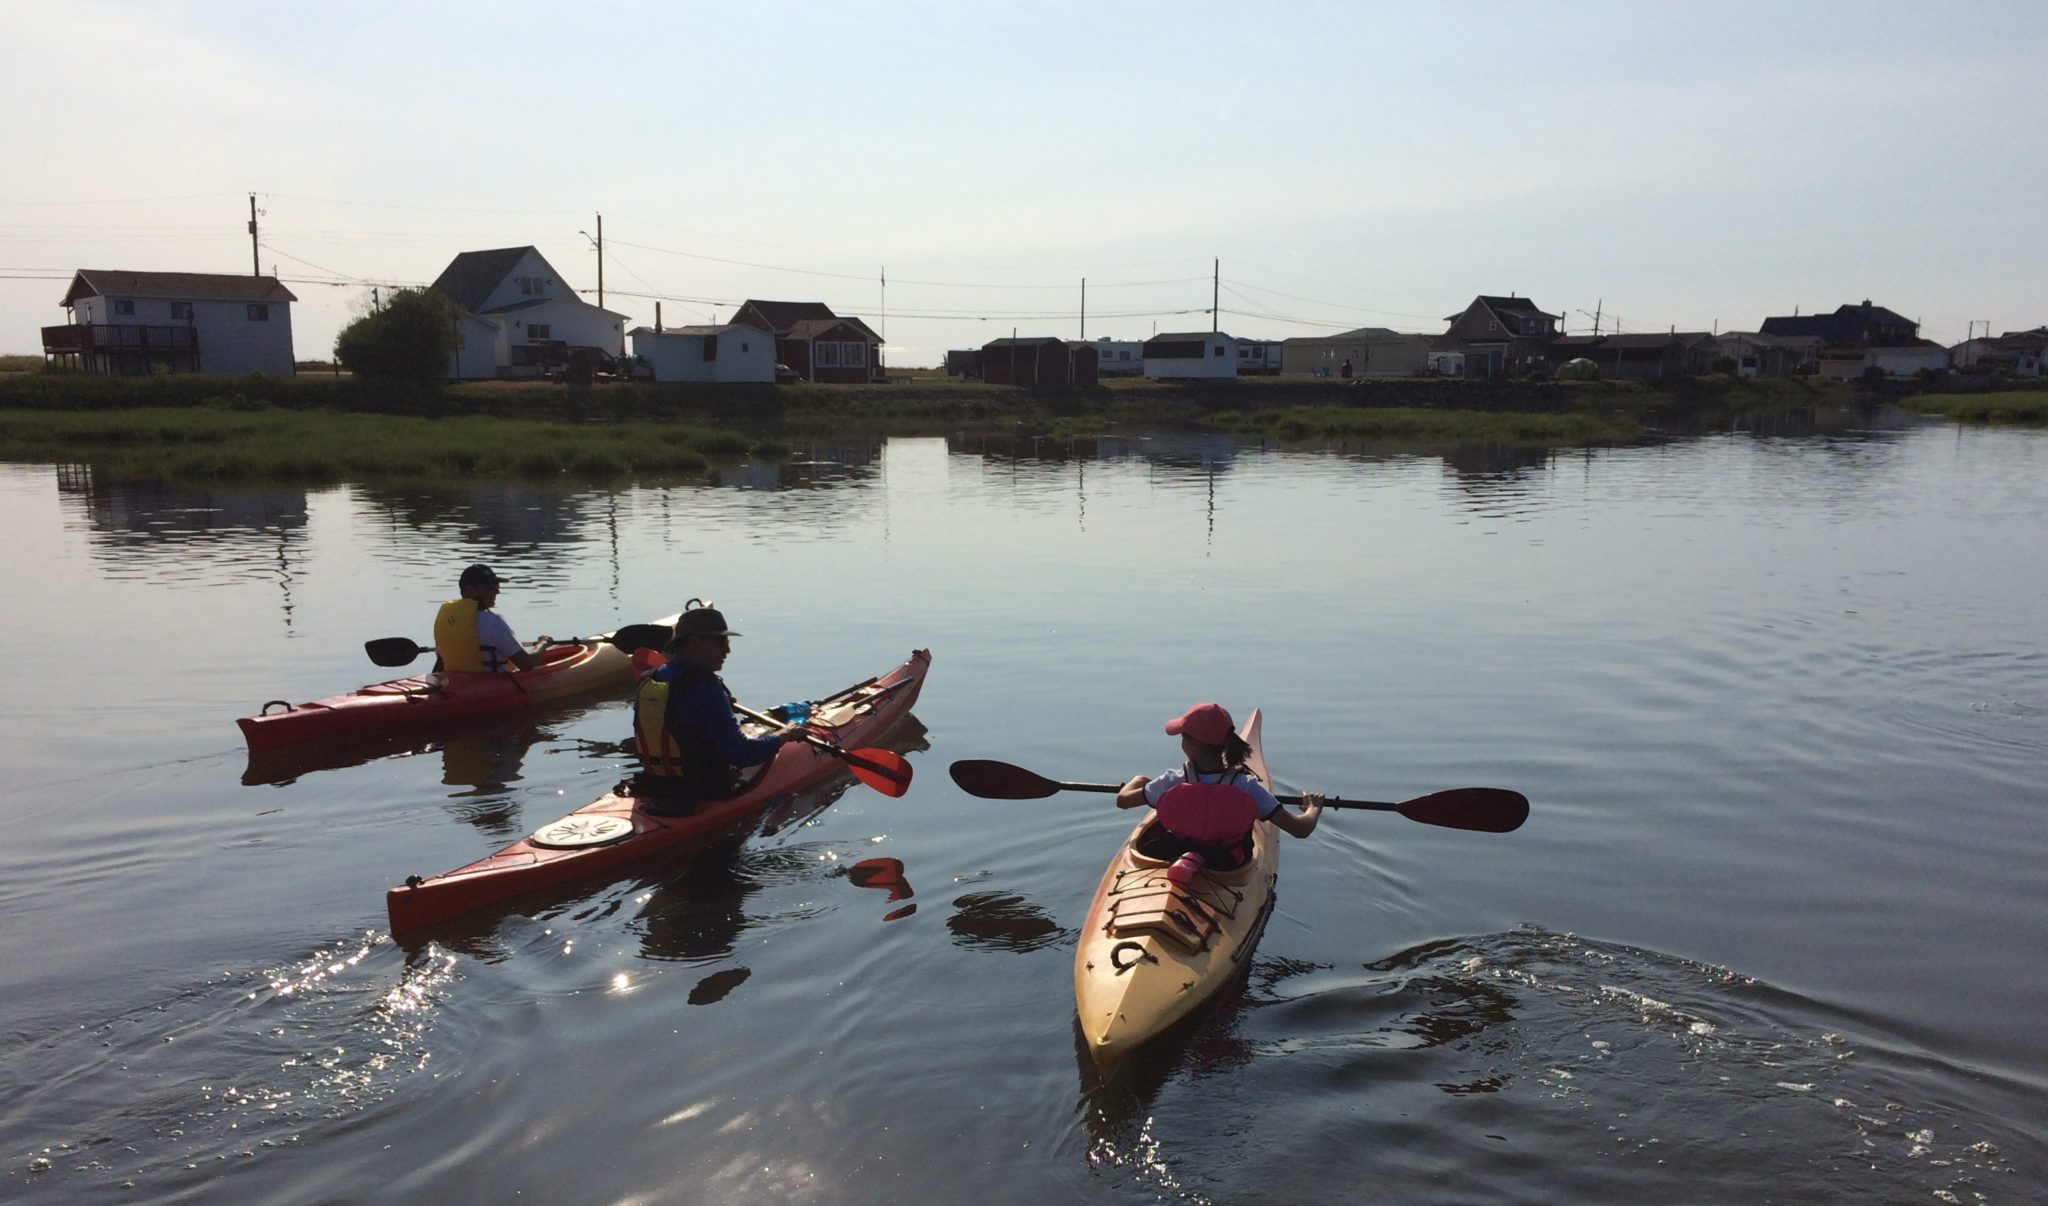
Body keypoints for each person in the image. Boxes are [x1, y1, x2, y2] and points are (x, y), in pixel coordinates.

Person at [632, 605, 805, 808]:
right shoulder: (705, 688)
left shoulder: (651, 678)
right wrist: (783, 735)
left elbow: (679, 718)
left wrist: (720, 706)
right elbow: (742, 754)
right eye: (721, 642)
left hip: (653, 785)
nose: (727, 650)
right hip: (704, 792)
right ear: (694, 642)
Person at [1115, 702, 1322, 869]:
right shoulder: (1247, 787)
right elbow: (1300, 829)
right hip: (1226, 864)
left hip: (1172, 851)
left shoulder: (1173, 780)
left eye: (1182, 737)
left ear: (1193, 745)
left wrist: (1139, 780)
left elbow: (1123, 801)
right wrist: (1313, 808)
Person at [433, 563, 542, 673]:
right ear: (470, 590)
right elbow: (527, 664)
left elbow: (440, 662)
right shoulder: (492, 622)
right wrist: (543, 644)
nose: (497, 592)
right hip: (493, 684)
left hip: (456, 683)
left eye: (497, 587)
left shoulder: (446, 619)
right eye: (489, 588)